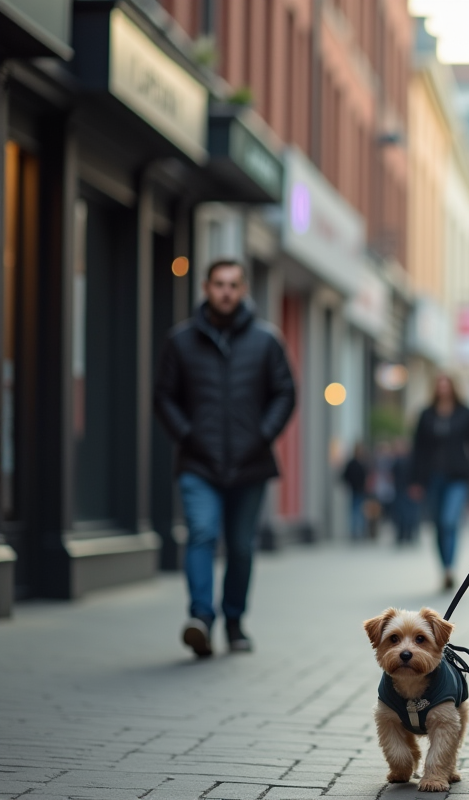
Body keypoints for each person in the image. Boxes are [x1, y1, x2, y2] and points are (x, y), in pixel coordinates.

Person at [154, 259, 296, 657]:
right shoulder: (180, 341)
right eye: (219, 284)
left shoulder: (267, 341)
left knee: (240, 546)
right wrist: (187, 435)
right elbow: (163, 396)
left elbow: (286, 393)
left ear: (244, 289)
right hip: (198, 462)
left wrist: (263, 435)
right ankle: (201, 617)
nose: (226, 292)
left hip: (250, 464)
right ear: (206, 287)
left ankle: (234, 622)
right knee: (200, 533)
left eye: (233, 284)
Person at [409, 375, 469, 590]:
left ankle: (450, 568)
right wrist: (415, 480)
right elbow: (417, 450)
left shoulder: (466, 413)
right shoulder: (426, 414)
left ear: (453, 388)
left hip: (458, 477)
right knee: (437, 525)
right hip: (432, 478)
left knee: (449, 521)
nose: (443, 389)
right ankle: (444, 569)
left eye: (446, 385)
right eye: (439, 385)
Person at [341, 443, 369, 540]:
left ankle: (359, 532)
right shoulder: (353, 463)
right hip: (355, 490)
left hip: (361, 491)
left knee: (359, 511)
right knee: (355, 512)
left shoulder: (362, 463)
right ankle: (355, 532)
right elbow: (345, 476)